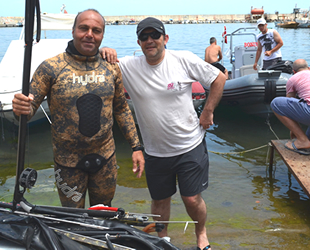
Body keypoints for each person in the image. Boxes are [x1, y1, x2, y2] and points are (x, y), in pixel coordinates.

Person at [100, 17, 226, 250]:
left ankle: (201, 233)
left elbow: (219, 78)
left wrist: (207, 111)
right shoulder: (129, 66)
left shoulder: (183, 59)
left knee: (191, 198)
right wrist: (104, 49)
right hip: (155, 151)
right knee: (159, 201)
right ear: (139, 43)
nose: (150, 40)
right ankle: (162, 239)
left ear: (165, 38)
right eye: (144, 37)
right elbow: (96, 59)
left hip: (190, 145)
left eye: (155, 35)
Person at [12, 9, 145, 208]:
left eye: (96, 30)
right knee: (73, 219)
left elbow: (121, 109)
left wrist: (136, 147)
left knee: (104, 213)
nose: (89, 34)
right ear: (73, 30)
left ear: (102, 35)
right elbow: (28, 110)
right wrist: (20, 107)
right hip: (67, 163)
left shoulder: (111, 67)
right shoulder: (51, 68)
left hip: (105, 158)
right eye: (84, 28)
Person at [271, 59, 310, 155]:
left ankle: (302, 140)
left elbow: (289, 107)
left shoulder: (293, 79)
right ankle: (305, 140)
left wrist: (294, 131)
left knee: (276, 103)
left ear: (294, 71)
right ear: (309, 68)